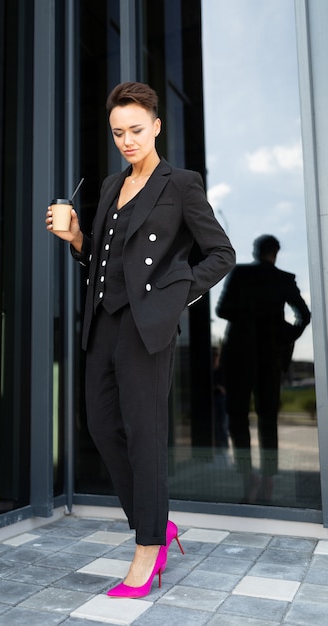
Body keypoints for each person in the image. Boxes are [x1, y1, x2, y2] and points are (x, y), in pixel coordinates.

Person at [46, 82, 235, 598]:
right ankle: (158, 522)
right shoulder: (110, 185)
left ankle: (147, 547)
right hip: (103, 321)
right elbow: (103, 258)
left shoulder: (182, 183)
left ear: (156, 126)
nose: (127, 140)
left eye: (135, 129)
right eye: (117, 132)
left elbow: (221, 254)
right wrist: (77, 240)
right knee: (103, 425)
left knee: (144, 434)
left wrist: (175, 294)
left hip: (146, 326)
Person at [216, 234, 311, 503]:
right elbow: (304, 315)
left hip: (240, 355)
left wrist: (249, 315)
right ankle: (267, 478)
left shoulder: (240, 274)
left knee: (238, 417)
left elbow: (222, 310)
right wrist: (285, 334)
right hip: (269, 357)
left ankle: (249, 478)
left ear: (256, 251)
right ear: (275, 253)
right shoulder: (283, 279)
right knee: (267, 418)